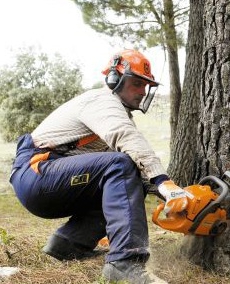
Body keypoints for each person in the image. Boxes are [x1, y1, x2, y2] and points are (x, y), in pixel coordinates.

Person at [9, 49, 187, 284]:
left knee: (131, 182)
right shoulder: (103, 102)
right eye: (136, 84)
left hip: (47, 177)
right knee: (121, 165)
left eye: (145, 86)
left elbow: (133, 168)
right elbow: (126, 138)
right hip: (37, 173)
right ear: (115, 79)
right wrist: (163, 181)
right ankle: (124, 264)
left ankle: (67, 245)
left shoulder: (116, 112)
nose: (142, 92)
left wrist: (171, 196)